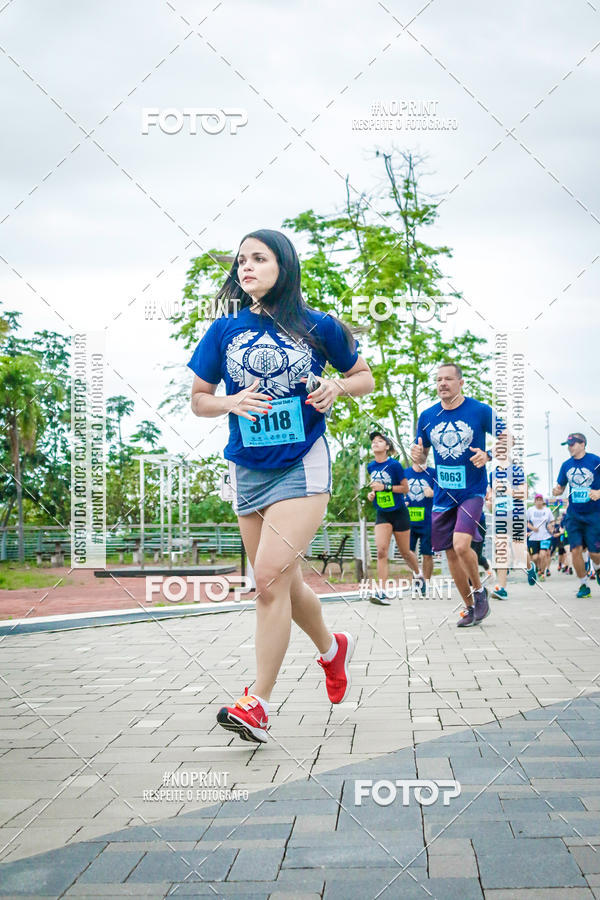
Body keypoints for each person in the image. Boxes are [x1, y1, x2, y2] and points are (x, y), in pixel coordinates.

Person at [189, 228, 374, 742]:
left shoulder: (320, 326)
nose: (245, 267)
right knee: (284, 583)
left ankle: (258, 703)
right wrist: (230, 402)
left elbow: (365, 377)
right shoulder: (223, 331)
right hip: (248, 466)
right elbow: (199, 398)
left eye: (259, 258)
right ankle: (332, 648)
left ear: (283, 266)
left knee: (267, 579)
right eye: (241, 260)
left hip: (302, 462)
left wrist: (338, 384)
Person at [411, 362, 497, 627]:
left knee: (462, 544)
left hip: (472, 489)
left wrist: (489, 454)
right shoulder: (427, 416)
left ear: (461, 383)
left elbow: (507, 437)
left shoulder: (479, 410)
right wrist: (418, 455)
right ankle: (470, 607)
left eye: (448, 379)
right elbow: (422, 453)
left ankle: (480, 592)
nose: (442, 384)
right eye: (438, 379)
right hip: (442, 494)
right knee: (449, 553)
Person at [367, 431, 425, 605]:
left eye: (380, 441)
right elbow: (376, 489)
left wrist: (384, 487)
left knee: (405, 552)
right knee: (381, 551)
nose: (375, 443)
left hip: (399, 512)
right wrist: (372, 494)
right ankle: (382, 591)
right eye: (373, 441)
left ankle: (418, 574)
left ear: (387, 447)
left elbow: (405, 489)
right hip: (382, 513)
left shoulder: (394, 466)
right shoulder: (370, 466)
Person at [553, 433, 600, 598]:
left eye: (572, 444)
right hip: (574, 515)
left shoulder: (595, 461)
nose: (569, 447)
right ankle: (584, 585)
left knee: (595, 554)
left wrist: (598, 492)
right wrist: (557, 490)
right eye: (568, 444)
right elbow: (560, 486)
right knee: (575, 550)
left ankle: (598, 569)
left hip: (594, 514)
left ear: (583, 444)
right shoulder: (566, 465)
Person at [487, 455, 526, 601]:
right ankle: (502, 589)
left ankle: (530, 566)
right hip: (500, 517)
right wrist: (490, 501)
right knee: (502, 550)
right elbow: (490, 500)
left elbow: (523, 493)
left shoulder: (517, 471)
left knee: (519, 554)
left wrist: (508, 490)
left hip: (516, 516)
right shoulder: (492, 475)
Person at [403, 461, 436, 588]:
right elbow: (398, 492)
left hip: (427, 521)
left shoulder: (433, 473)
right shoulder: (405, 473)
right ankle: (418, 576)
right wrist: (402, 501)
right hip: (408, 521)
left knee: (427, 553)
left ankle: (425, 585)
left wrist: (433, 493)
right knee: (407, 552)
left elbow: (444, 492)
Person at [526, 495, 555, 584]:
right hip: (533, 537)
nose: (539, 501)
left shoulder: (547, 510)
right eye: (537, 500)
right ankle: (537, 568)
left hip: (545, 536)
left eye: (540, 500)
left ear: (542, 501)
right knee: (535, 557)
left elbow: (552, 521)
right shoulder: (530, 510)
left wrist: (551, 527)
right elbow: (526, 522)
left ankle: (542, 572)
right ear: (535, 501)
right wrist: (533, 528)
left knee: (543, 555)